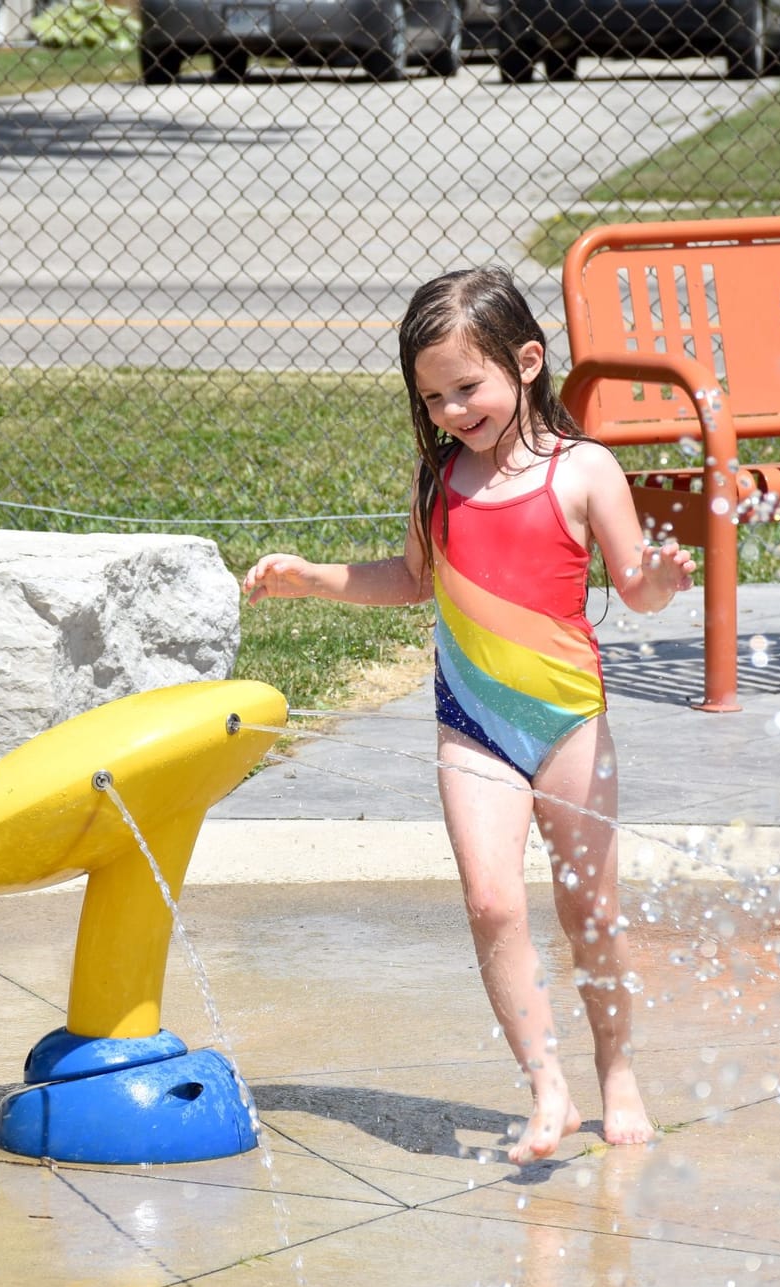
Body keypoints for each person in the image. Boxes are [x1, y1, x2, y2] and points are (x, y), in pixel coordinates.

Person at [242, 267, 694, 1165]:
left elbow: (635, 588)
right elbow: (412, 580)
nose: (451, 411)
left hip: (568, 722)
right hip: (474, 723)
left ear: (526, 362)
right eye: (433, 398)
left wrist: (658, 580)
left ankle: (616, 1070)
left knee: (589, 908)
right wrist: (315, 579)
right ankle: (546, 1086)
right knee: (492, 903)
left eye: (466, 387)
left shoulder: (583, 470)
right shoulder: (438, 478)